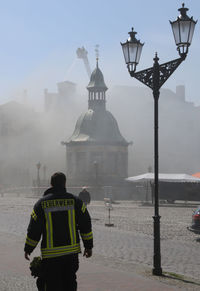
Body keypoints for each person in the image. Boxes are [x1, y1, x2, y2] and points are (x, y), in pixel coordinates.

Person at [24, 172, 93, 291]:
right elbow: (85, 224)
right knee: (69, 284)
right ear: (65, 183)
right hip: (71, 254)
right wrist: (88, 246)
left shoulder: (41, 204)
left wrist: (28, 248)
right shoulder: (76, 201)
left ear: (51, 184)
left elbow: (34, 229)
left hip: (51, 256)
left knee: (51, 285)